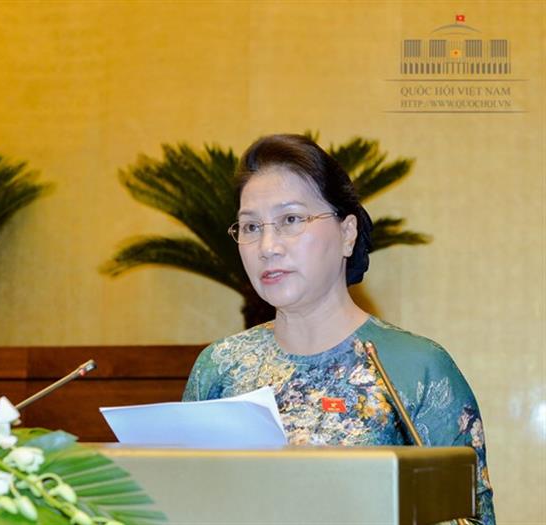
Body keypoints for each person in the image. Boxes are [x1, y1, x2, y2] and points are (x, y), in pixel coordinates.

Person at [182, 134, 495, 525]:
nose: (267, 246)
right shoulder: (220, 366)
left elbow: (469, 517)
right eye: (250, 227)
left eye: (291, 220)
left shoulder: (416, 367)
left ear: (347, 233)